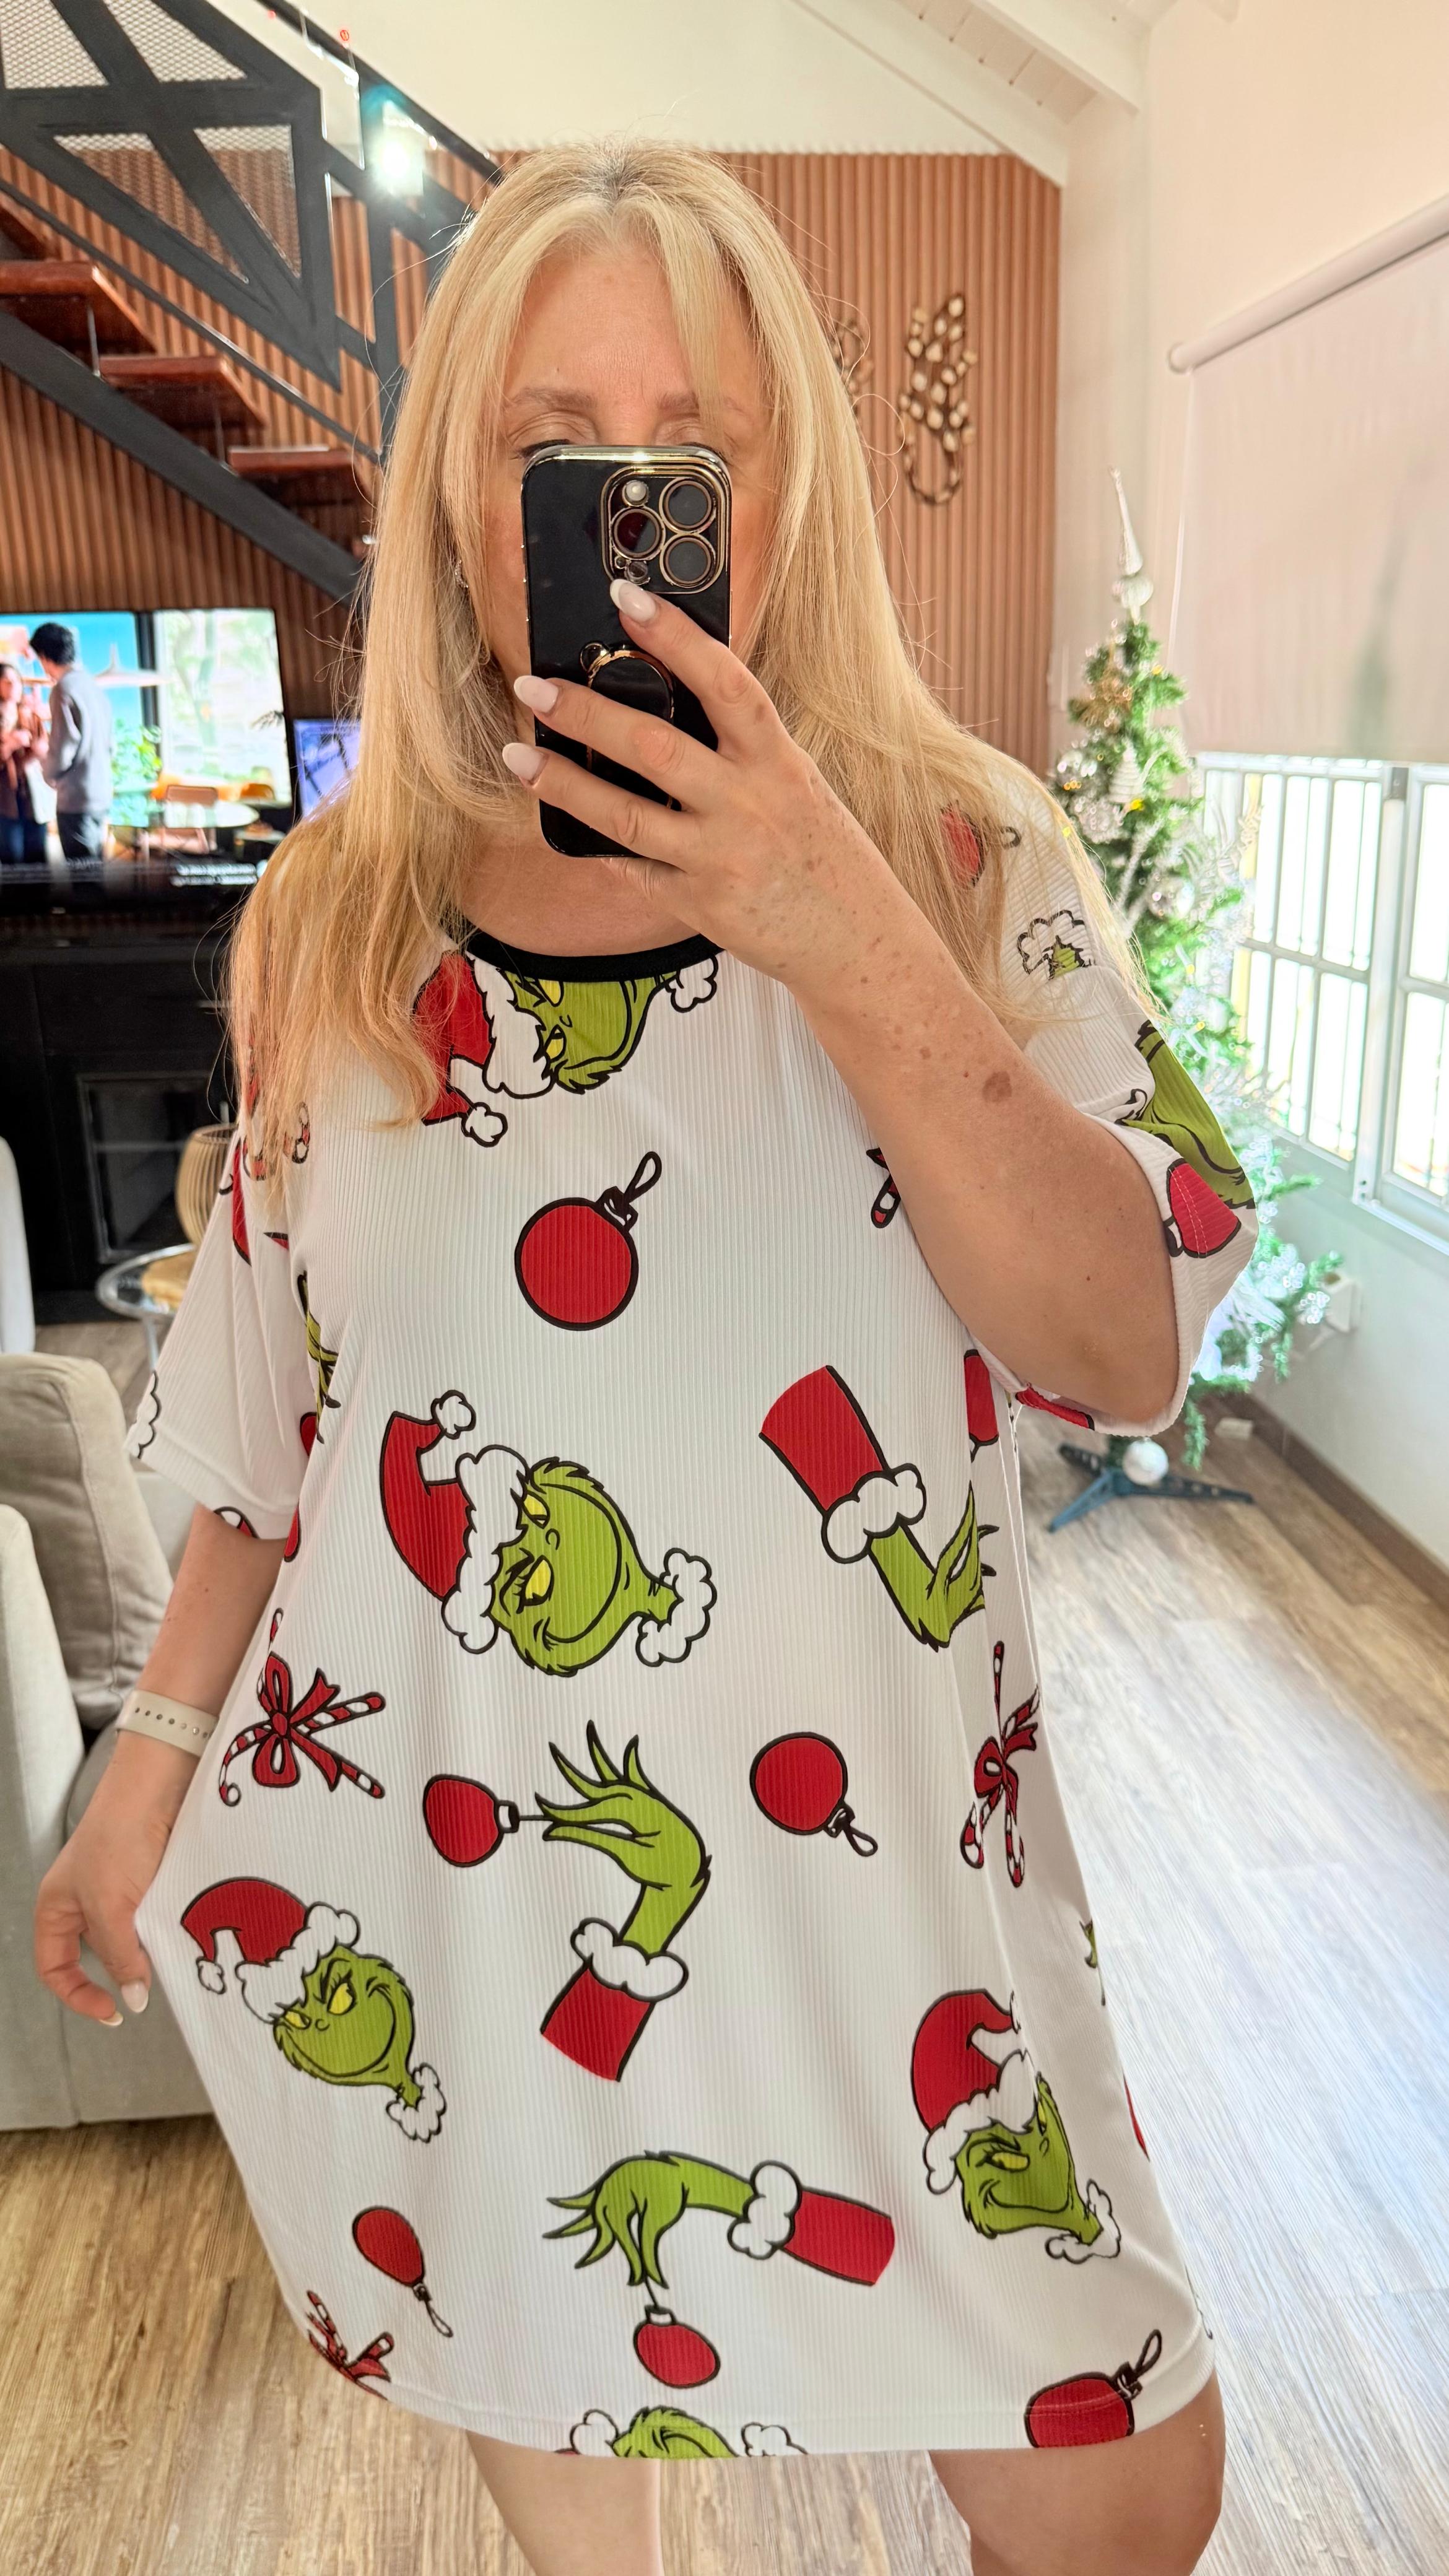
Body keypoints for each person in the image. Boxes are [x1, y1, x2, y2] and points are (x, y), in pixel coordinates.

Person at [33, 147, 1253, 2576]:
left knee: (1123, 2484)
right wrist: (146, 1763)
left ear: (780, 494)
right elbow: (282, 1429)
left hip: (886, 1865)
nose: (623, 499)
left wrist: (830, 919)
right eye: (552, 440)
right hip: (484, 1848)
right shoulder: (339, 916)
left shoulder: (968, 855)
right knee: (551, 2354)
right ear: (462, 506)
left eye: (688, 442)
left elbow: (1123, 1340)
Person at [28, 619, 113, 862]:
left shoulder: (63, 689)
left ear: (44, 657)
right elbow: (111, 744)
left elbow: (63, 749)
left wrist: (47, 770)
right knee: (94, 867)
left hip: (76, 798)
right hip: (100, 792)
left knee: (83, 874)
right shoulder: (92, 684)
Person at [0, 659, 48, 863]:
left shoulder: (30, 716)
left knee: (38, 857)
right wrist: (9, 745)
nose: (13, 685)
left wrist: (40, 751)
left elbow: (45, 749)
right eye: (6, 681)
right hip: (5, 802)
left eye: (16, 681)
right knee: (13, 856)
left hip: (33, 797)